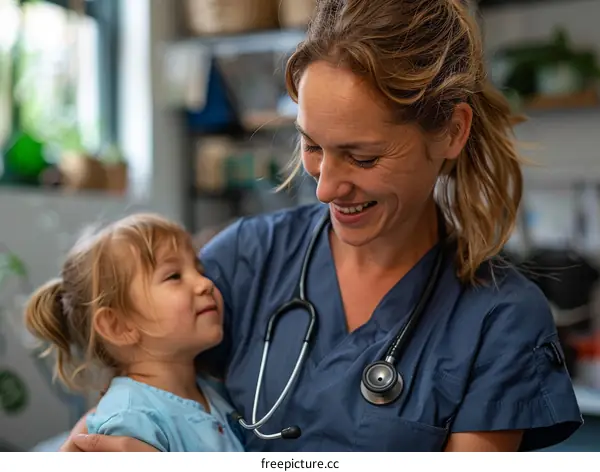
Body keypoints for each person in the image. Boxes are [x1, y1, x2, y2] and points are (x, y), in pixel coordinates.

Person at [60, 0, 582, 452]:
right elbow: (138, 394)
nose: (326, 186)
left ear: (451, 131)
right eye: (312, 145)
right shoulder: (246, 260)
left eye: (362, 156)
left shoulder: (500, 320)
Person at [25, 213, 245, 452]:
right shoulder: (128, 420)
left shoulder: (212, 392)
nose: (206, 283)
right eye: (174, 276)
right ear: (117, 326)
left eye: (199, 270)